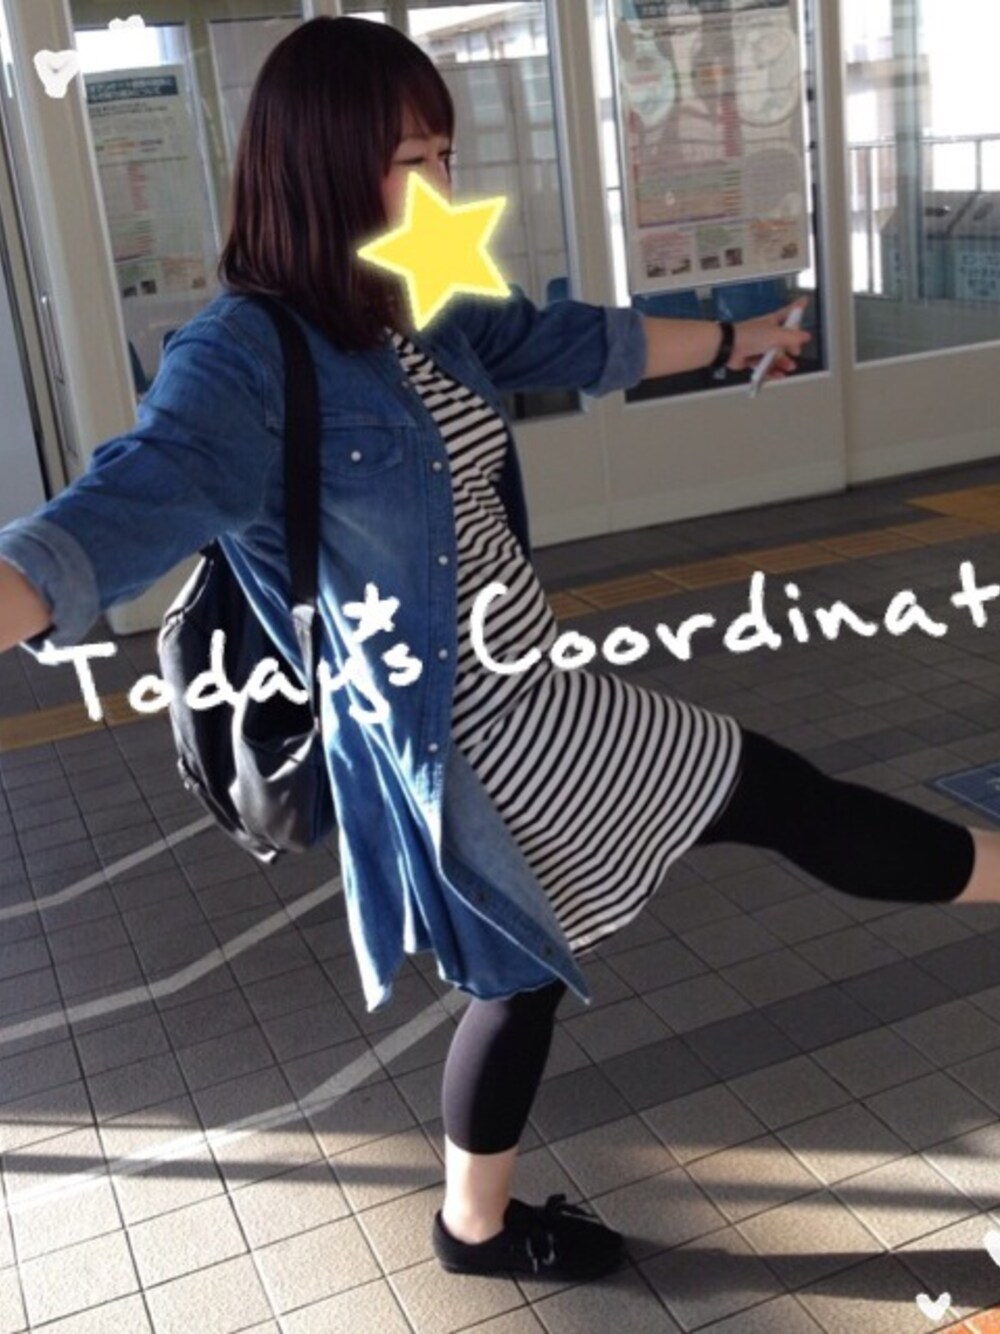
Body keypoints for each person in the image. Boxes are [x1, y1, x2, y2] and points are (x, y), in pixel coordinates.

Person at [0, 15, 996, 1285]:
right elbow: (95, 524)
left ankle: (473, 1227)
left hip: (533, 696)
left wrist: (736, 340)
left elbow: (563, 342)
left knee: (519, 966)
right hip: (465, 740)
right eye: (409, 159)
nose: (439, 185)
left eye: (444, 154)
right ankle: (474, 1225)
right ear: (318, 164)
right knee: (768, 800)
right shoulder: (241, 358)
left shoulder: (410, 299)